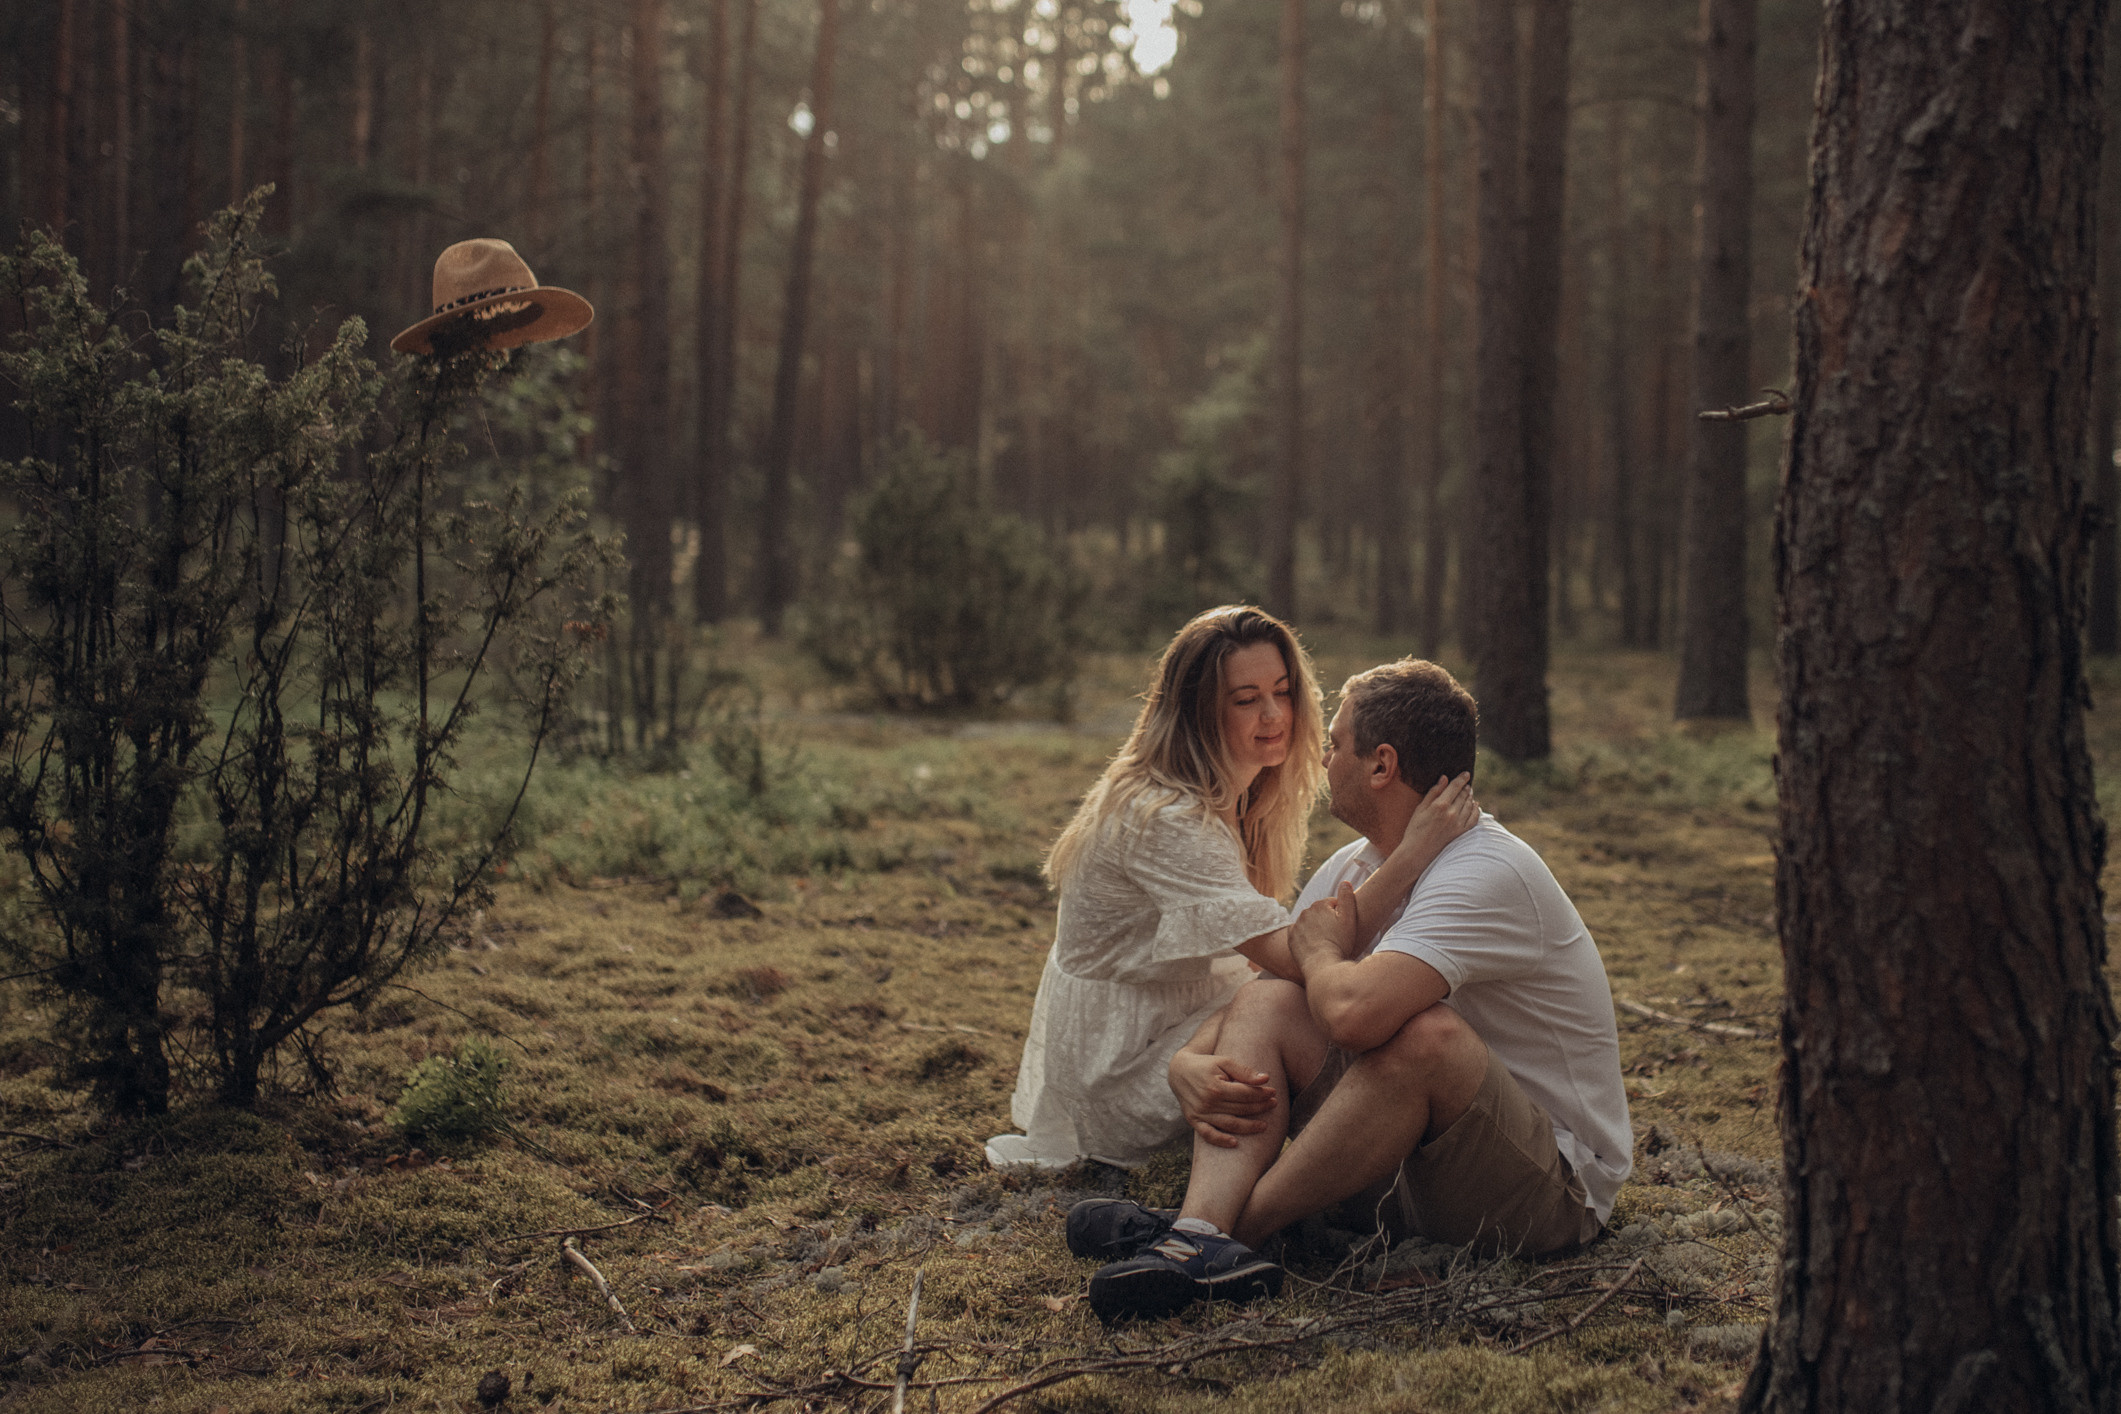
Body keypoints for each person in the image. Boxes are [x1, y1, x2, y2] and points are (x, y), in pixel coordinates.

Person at [1070, 659, 1632, 1322]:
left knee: (1426, 1039)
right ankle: (1199, 1231)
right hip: (1411, 1165)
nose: (1322, 757)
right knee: (1273, 1003)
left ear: (1381, 764)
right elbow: (1265, 994)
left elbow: (1351, 1016)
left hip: (1547, 1194)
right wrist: (1187, 1060)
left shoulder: (1488, 870)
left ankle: (1224, 1236)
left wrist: (1319, 950)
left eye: (1335, 743)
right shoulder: (1357, 864)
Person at [986, 609, 1480, 1171]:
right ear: (1198, 713)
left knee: (1333, 1002)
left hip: (1181, 1019)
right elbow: (1297, 956)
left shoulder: (1243, 793)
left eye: (1282, 692)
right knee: (1316, 1004)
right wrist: (1412, 854)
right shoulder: (1164, 817)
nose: (1273, 715)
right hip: (1123, 1068)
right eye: (1246, 700)